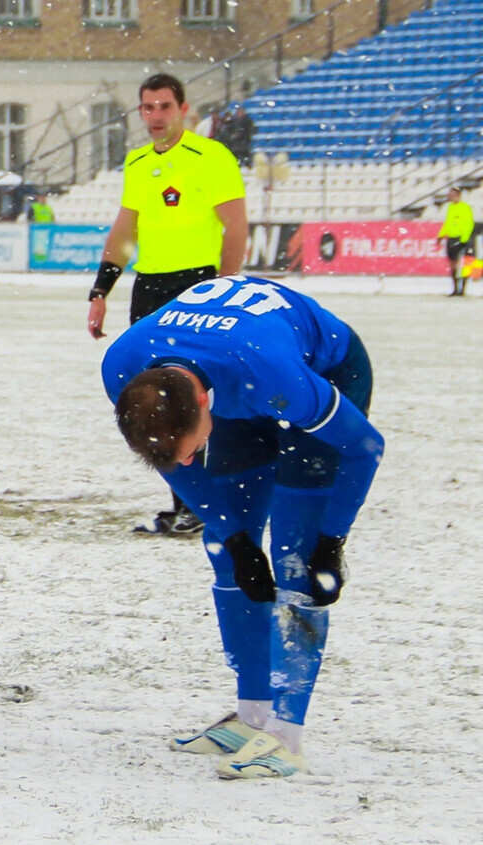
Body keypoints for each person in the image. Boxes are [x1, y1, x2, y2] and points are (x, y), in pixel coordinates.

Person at [103, 274, 383, 779]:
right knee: (229, 550)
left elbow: (365, 448)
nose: (187, 466)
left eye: (192, 452)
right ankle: (253, 714)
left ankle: (286, 737)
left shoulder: (277, 377)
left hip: (314, 370)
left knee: (295, 558)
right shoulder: (123, 367)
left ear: (204, 406)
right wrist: (234, 535)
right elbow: (172, 457)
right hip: (232, 372)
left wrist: (332, 540)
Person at [88, 74, 248, 536]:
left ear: (183, 109)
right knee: (155, 399)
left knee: (202, 394)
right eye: (148, 108)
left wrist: (226, 286)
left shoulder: (211, 157)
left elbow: (235, 226)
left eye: (164, 107)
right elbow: (123, 233)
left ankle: (220, 498)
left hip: (198, 285)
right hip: (151, 289)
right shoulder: (137, 163)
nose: (155, 116)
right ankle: (187, 504)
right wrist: (101, 291)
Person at [439, 187, 475, 298]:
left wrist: (464, 239)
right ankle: (455, 289)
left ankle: (463, 289)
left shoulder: (465, 207)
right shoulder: (450, 207)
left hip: (462, 238)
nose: (450, 197)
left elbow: (469, 223)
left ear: (458, 195)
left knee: (466, 263)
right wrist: (441, 235)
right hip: (452, 238)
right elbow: (448, 223)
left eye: (452, 195)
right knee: (453, 264)